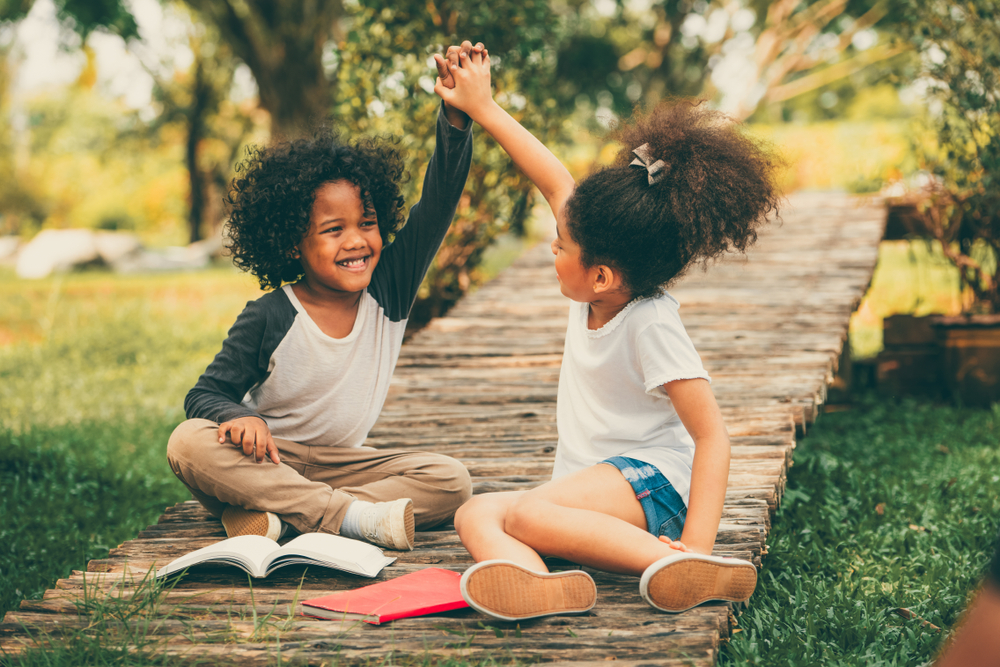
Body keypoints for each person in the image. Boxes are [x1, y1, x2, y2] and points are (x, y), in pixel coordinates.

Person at [434, 49, 781, 619]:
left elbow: (712, 437)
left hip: (656, 486)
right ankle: (535, 585)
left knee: (525, 514)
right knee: (475, 513)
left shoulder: (650, 321)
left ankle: (681, 566)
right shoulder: (598, 278)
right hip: (599, 492)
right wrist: (483, 106)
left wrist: (697, 542)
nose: (551, 250)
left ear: (600, 276)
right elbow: (553, 178)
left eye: (560, 247)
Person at [166, 43, 486, 552]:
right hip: (265, 462)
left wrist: (457, 116)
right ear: (292, 243)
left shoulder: (390, 288)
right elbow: (204, 396)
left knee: (450, 479)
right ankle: (348, 517)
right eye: (334, 230)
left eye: (367, 223)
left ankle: (284, 519)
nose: (356, 241)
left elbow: (439, 202)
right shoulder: (270, 315)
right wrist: (239, 418)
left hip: (344, 464)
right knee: (187, 441)